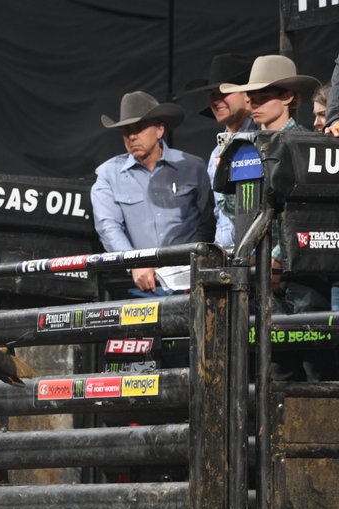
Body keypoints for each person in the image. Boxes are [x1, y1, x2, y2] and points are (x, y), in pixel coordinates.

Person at [221, 55, 330, 379]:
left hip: (303, 274)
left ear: (288, 97)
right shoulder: (246, 146)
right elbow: (237, 209)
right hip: (264, 275)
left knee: (316, 364)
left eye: (264, 95)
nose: (254, 103)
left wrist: (278, 258)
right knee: (276, 370)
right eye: (252, 96)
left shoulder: (311, 144)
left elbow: (314, 215)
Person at [91, 91, 214, 296]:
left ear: (159, 130)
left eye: (139, 128)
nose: (132, 136)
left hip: (189, 283)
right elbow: (108, 226)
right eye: (126, 130)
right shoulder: (108, 174)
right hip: (138, 287)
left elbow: (207, 223)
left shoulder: (193, 167)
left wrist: (192, 268)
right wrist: (134, 263)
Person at [182, 54, 256, 249]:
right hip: (225, 257)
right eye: (213, 94)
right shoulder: (216, 150)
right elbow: (212, 216)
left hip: (255, 256)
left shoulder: (259, 141)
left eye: (224, 92)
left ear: (247, 95)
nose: (216, 100)